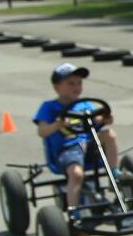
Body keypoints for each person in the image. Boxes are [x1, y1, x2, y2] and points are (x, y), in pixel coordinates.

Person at [33, 62, 121, 224]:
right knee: (77, 174)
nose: (76, 87)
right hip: (67, 149)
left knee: (109, 134)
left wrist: (106, 119)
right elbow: (42, 131)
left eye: (79, 83)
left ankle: (114, 174)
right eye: (71, 83)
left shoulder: (85, 104)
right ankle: (74, 212)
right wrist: (57, 125)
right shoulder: (49, 107)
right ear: (57, 87)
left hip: (87, 144)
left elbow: (97, 121)